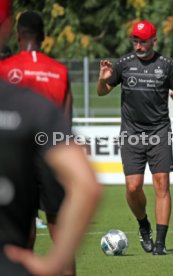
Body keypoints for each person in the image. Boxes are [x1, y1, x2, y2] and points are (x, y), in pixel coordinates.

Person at [0, 2, 101, 275]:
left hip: (17, 159)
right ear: (43, 37)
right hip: (52, 157)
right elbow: (65, 122)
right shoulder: (59, 70)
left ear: (18, 35)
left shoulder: (5, 68)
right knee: (59, 229)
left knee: (23, 235)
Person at [96, 20, 173, 255]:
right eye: (135, 40)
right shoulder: (124, 64)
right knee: (133, 187)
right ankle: (143, 224)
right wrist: (102, 78)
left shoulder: (166, 65)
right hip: (131, 133)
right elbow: (102, 91)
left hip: (159, 132)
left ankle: (160, 244)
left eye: (143, 41)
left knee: (161, 184)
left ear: (153, 41)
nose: (138, 45)